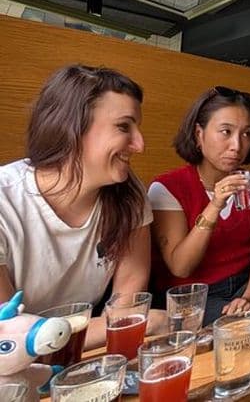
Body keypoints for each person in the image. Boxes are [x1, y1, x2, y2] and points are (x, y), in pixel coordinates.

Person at [0, 64, 160, 349]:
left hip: (79, 358)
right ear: (71, 127)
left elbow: (127, 306)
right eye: (124, 126)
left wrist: (130, 321)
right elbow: (8, 338)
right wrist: (142, 321)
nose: (139, 144)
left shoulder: (128, 194)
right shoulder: (5, 200)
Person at [148, 86, 250, 324]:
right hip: (191, 297)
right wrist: (215, 205)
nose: (237, 145)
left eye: (247, 134)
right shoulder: (167, 188)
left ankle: (248, 320)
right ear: (198, 134)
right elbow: (181, 267)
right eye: (226, 131)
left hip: (242, 285)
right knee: (236, 324)